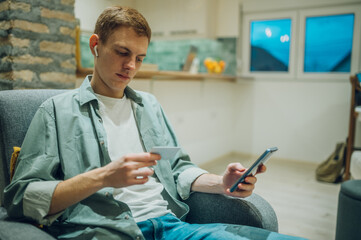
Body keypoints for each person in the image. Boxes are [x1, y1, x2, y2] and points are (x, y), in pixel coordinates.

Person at [4, 6, 304, 240]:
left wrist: (221, 183)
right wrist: (103, 177)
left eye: (140, 57)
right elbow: (22, 199)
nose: (131, 66)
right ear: (96, 44)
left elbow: (178, 169)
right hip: (105, 232)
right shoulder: (55, 112)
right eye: (122, 52)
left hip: (171, 227)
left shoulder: (149, 105)